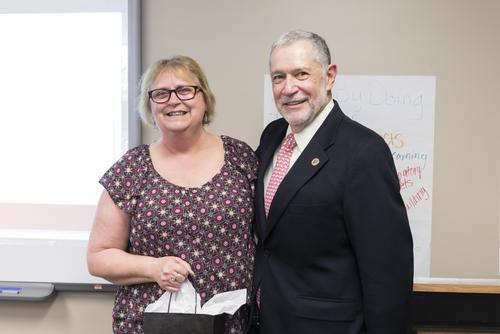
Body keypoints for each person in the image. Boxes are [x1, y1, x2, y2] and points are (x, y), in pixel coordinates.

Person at [249, 30, 414, 333]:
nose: (289, 88)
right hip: (266, 321)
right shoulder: (272, 136)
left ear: (330, 75)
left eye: (301, 74)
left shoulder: (364, 152)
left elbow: (387, 271)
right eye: (278, 77)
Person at [87, 55, 257, 334]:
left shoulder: (241, 158)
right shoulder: (132, 168)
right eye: (161, 94)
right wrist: (154, 268)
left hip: (232, 323)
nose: (174, 100)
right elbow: (98, 257)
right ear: (149, 106)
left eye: (185, 90)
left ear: (204, 98)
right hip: (150, 323)